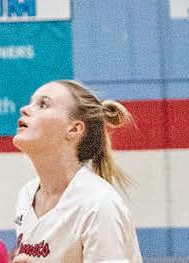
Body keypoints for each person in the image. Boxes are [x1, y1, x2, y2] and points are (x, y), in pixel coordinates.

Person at [11, 79, 142, 263]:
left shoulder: (98, 204)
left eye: (43, 104)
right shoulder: (26, 195)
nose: (24, 109)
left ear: (73, 129)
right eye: (31, 102)